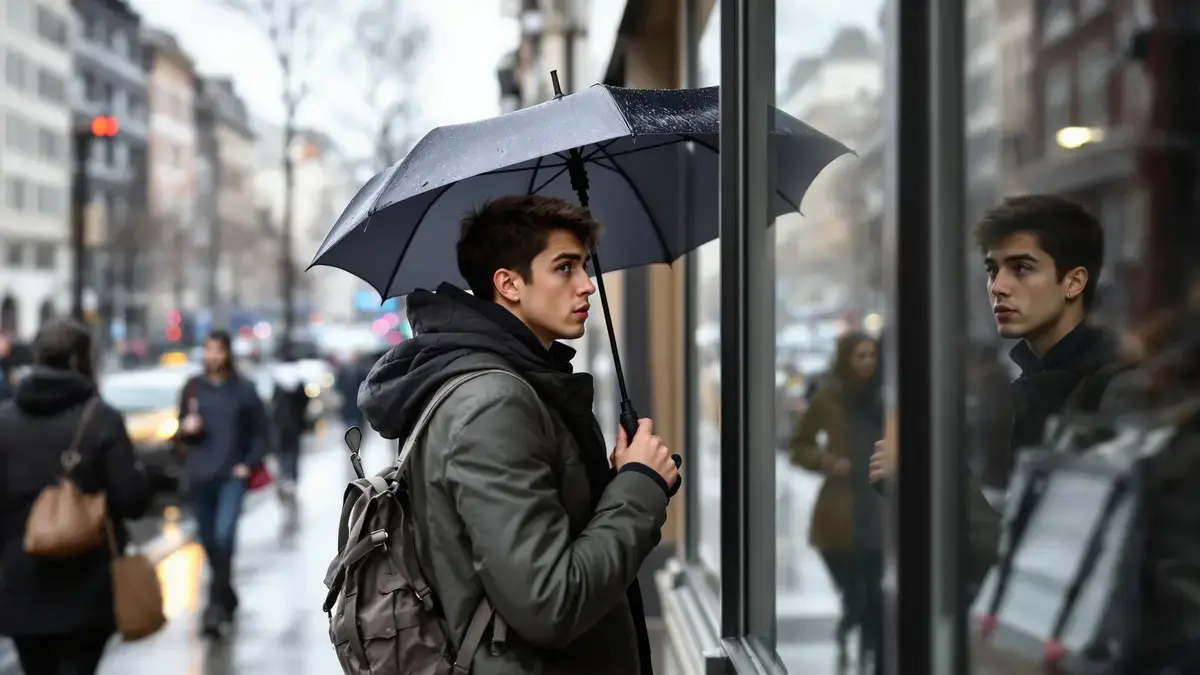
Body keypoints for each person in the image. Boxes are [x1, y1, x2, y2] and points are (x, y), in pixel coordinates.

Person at [358, 195, 679, 675]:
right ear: (508, 284)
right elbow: (550, 602)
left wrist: (618, 480)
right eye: (565, 268)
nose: (587, 286)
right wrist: (639, 488)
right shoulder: (494, 402)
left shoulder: (516, 383)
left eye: (584, 267)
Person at [869, 194, 1121, 589]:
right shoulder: (1033, 385)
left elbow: (1042, 567)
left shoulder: (1111, 394)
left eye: (1022, 268)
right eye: (992, 270)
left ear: (1073, 281)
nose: (998, 287)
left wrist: (926, 479)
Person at [0, 319, 153, 675]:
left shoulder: (4, 421)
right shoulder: (101, 419)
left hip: (21, 583)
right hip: (86, 585)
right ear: (80, 361)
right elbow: (131, 499)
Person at [789, 332, 885, 673]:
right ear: (846, 359)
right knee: (855, 593)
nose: (868, 363)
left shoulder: (885, 397)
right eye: (861, 356)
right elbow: (799, 445)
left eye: (872, 355)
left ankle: (875, 656)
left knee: (876, 593)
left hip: (879, 507)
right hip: (840, 511)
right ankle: (849, 633)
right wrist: (829, 462)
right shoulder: (829, 397)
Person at [176, 329, 271, 637]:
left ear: (228, 353)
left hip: (231, 476)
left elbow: (261, 432)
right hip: (200, 476)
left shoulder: (243, 389)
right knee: (208, 542)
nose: (212, 356)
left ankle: (214, 608)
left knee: (224, 538)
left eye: (218, 350)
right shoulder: (192, 388)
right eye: (208, 350)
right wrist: (186, 428)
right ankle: (227, 595)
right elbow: (179, 433)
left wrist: (248, 464)